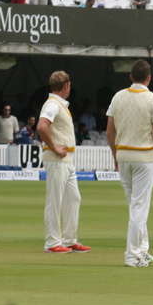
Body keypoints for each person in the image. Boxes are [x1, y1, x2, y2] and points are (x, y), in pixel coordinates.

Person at [106, 60, 153, 268]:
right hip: (144, 159)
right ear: (148, 78)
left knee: (136, 207)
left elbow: (109, 132)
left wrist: (116, 155)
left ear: (131, 77)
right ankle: (132, 256)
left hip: (123, 157)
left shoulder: (118, 96)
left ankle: (142, 250)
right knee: (139, 207)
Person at [35, 71, 87, 254]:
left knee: (74, 199)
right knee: (54, 201)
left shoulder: (59, 105)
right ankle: (51, 243)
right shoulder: (52, 104)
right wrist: (55, 147)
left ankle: (70, 240)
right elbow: (41, 126)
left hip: (66, 160)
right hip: (57, 158)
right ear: (67, 86)